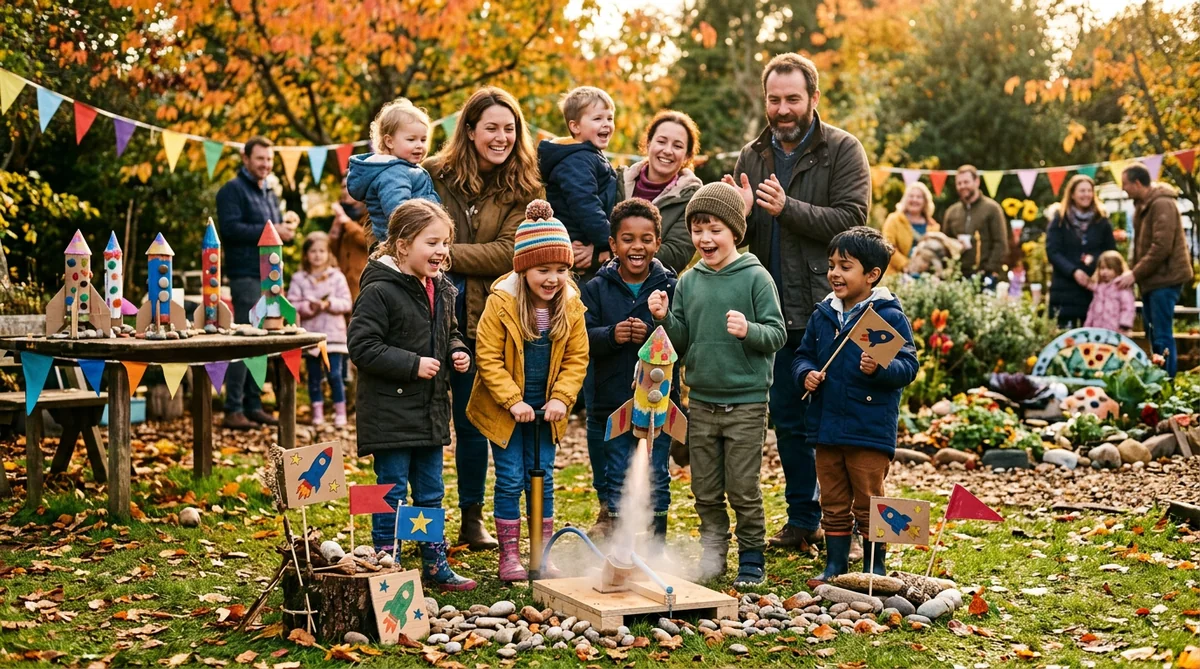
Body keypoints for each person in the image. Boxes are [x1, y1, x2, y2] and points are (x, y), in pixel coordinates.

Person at [724, 52, 871, 555]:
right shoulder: (752, 154)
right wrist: (736, 215)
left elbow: (854, 220)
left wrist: (789, 208)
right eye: (774, 99)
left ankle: (850, 529)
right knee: (787, 420)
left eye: (792, 99)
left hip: (829, 309)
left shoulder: (842, 149)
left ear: (812, 98)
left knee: (835, 424)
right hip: (773, 311)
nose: (782, 109)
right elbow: (737, 237)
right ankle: (803, 519)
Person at [648, 182, 787, 586]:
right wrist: (663, 318)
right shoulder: (689, 282)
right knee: (706, 488)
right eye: (697, 229)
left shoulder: (755, 278)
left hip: (746, 402)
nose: (705, 238)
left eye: (714, 229)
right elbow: (680, 341)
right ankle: (713, 554)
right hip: (703, 401)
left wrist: (750, 330)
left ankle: (751, 556)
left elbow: (777, 334)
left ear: (734, 231)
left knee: (743, 488)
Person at [424, 87, 544, 551]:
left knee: (474, 421)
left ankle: (473, 519)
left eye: (509, 129)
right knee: (427, 427)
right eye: (491, 127)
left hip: (488, 323)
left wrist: (439, 252)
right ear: (470, 131)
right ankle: (414, 532)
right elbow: (404, 224)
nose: (501, 137)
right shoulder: (435, 175)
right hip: (431, 316)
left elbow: (510, 252)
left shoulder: (526, 188)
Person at [347, 199, 476, 591]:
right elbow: (362, 345)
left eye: (446, 244)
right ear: (402, 245)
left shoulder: (443, 289)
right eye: (432, 242)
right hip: (389, 413)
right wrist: (412, 364)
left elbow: (449, 330)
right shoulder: (380, 290)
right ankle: (386, 561)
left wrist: (457, 349)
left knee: (431, 490)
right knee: (388, 489)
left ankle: (434, 562)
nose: (441, 252)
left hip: (430, 409)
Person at [466, 201, 589, 582]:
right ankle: (509, 555)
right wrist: (513, 401)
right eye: (543, 270)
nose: (552, 279)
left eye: (560, 270)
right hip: (507, 409)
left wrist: (561, 399)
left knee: (544, 477)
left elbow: (576, 358)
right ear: (523, 268)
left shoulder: (570, 306)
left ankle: (541, 552)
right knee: (509, 477)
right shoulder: (501, 303)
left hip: (546, 409)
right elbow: (488, 358)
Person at [792, 226, 918, 584]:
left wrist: (880, 368)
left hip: (868, 428)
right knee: (832, 500)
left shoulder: (886, 317)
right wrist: (807, 374)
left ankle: (874, 567)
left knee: (869, 501)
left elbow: (908, 366)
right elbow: (801, 357)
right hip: (827, 426)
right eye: (832, 265)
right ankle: (835, 565)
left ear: (872, 274)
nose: (834, 273)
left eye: (845, 266)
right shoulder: (823, 316)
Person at [581, 198, 678, 542]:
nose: (637, 246)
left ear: (658, 243)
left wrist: (655, 328)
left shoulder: (669, 286)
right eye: (628, 239)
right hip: (611, 401)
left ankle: (657, 542)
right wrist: (612, 334)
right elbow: (582, 337)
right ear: (613, 245)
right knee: (616, 474)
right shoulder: (596, 287)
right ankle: (617, 543)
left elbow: (682, 335)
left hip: (658, 405)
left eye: (646, 239)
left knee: (656, 474)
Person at [216, 136, 297, 430]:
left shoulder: (269, 193)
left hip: (270, 280)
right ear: (245, 158)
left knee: (262, 342)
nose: (266, 164)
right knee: (245, 339)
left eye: (270, 160)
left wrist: (284, 230)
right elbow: (231, 229)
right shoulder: (231, 191)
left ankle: (253, 404)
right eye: (261, 158)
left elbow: (271, 234)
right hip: (246, 275)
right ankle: (232, 408)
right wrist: (275, 229)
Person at [1116, 163, 1194, 377]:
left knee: (1161, 334)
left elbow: (1161, 247)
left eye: (1125, 184)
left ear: (1138, 183)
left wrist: (1134, 274)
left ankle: (1166, 380)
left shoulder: (1162, 204)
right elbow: (1140, 246)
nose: (1124, 189)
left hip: (1165, 279)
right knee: (1152, 333)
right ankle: (1157, 377)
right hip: (1151, 281)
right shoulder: (1142, 206)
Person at [538, 86, 618, 276]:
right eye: (597, 118)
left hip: (589, 239)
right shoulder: (577, 160)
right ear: (575, 127)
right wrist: (610, 240)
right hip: (577, 240)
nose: (606, 124)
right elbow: (585, 204)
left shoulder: (589, 154)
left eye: (610, 118)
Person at [616, 111, 704, 274]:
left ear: (687, 155)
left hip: (654, 292)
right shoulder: (617, 181)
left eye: (677, 146)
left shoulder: (692, 199)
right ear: (648, 144)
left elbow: (675, 255)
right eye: (661, 142)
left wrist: (609, 253)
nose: (668, 150)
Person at [347, 98, 441, 242]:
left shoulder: (401, 169)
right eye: (411, 139)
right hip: (405, 242)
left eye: (423, 140)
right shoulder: (393, 174)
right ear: (389, 141)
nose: (419, 145)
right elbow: (398, 213)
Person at [287, 232, 352, 426]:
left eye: (321, 251)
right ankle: (318, 412)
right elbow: (292, 305)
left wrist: (329, 304)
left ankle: (340, 412)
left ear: (328, 254)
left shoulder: (337, 277)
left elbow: (347, 303)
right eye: (313, 251)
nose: (317, 255)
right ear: (306, 255)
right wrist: (310, 308)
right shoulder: (299, 278)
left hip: (334, 337)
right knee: (314, 377)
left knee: (334, 375)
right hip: (311, 337)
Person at [1044, 175, 1115, 328]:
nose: (1086, 194)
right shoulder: (1060, 220)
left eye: (1089, 191)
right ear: (1072, 194)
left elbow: (1110, 253)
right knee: (1065, 340)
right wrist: (1074, 271)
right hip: (1064, 289)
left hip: (1094, 290)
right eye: (1082, 191)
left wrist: (1095, 262)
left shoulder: (1102, 221)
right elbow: (1053, 251)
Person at [942, 165, 1011, 281]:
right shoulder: (951, 212)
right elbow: (945, 243)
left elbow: (1000, 244)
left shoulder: (992, 208)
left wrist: (988, 270)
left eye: (966, 182)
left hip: (985, 275)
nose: (962, 186)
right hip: (957, 275)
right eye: (959, 183)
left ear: (976, 182)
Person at [882, 182, 940, 277]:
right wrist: (906, 265)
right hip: (896, 275)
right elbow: (887, 247)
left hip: (924, 276)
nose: (914, 199)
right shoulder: (894, 219)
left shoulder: (933, 226)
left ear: (925, 201)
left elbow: (934, 253)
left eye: (919, 197)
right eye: (911, 196)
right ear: (905, 199)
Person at [328, 177, 370, 302]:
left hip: (363, 285)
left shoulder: (371, 214)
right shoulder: (344, 214)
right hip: (343, 288)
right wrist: (335, 231)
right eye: (342, 187)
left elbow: (368, 241)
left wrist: (346, 221)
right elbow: (333, 252)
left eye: (349, 186)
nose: (345, 191)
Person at [1085, 250, 1136, 334]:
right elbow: (1092, 310)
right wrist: (1088, 326)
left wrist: (1124, 325)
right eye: (1102, 268)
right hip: (1097, 330)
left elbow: (1128, 307)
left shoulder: (1121, 287)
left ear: (1117, 269)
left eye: (1109, 268)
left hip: (1115, 331)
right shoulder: (1099, 288)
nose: (1104, 272)